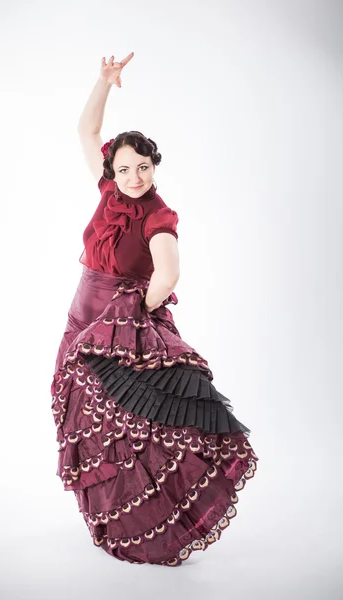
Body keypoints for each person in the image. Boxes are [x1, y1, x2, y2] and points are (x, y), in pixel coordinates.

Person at [51, 52, 259, 567]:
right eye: (124, 168)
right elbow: (85, 129)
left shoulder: (158, 213)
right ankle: (110, 515)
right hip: (82, 319)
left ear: (153, 166)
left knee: (133, 424)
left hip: (117, 325)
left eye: (142, 167)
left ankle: (147, 527)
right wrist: (103, 82)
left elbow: (168, 274)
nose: (133, 176)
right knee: (89, 419)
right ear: (113, 170)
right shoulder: (107, 189)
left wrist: (133, 312)